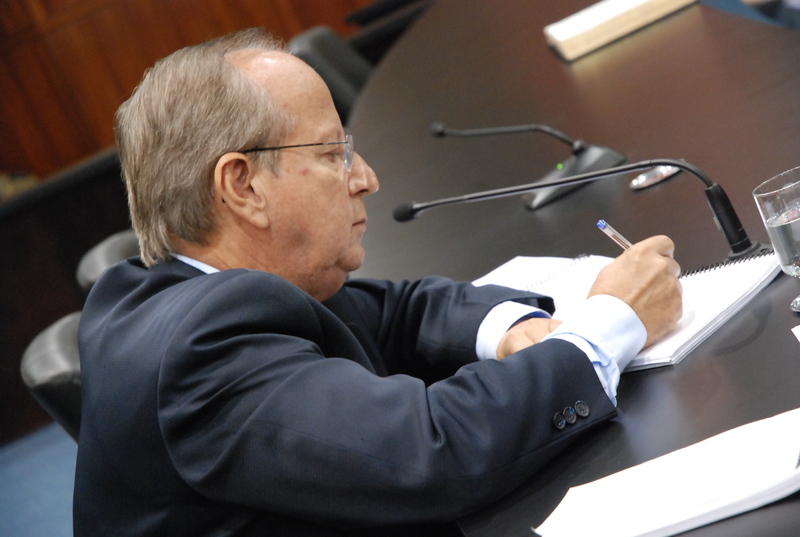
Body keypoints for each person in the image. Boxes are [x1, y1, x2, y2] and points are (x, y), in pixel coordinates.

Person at [73, 28, 682, 537]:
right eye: (333, 153)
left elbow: (399, 312)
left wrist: (512, 328)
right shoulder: (200, 352)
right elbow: (432, 456)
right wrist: (608, 324)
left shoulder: (216, 291)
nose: (366, 178)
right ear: (243, 186)